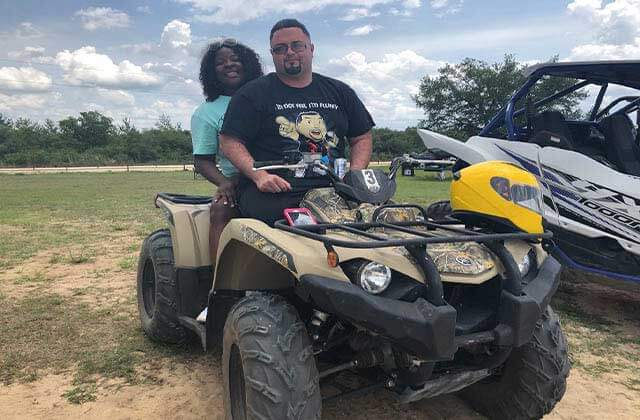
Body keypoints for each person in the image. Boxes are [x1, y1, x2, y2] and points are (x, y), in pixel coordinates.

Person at [219, 19, 374, 225]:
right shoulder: (251, 94)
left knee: (383, 217)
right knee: (307, 234)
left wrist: (354, 176)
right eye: (280, 48)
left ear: (311, 48)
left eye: (297, 45)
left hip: (337, 189)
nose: (289, 52)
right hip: (276, 193)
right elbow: (230, 141)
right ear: (273, 54)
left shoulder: (340, 92)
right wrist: (260, 176)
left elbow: (361, 136)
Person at [191, 39, 263, 262]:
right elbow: (202, 160)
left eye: (235, 59)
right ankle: (219, 284)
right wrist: (224, 183)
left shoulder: (267, 97)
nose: (229, 65)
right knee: (221, 210)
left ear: (248, 64)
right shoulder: (206, 112)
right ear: (212, 73)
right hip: (239, 181)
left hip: (277, 174)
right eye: (221, 63)